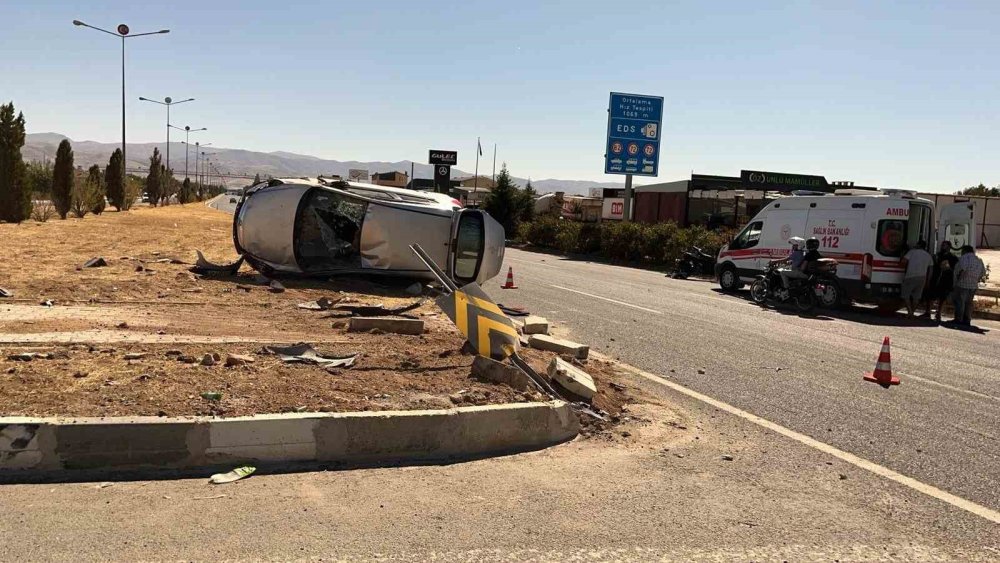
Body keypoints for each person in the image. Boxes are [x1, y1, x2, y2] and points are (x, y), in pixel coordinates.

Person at [923, 241, 957, 321]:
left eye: (944, 245)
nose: (942, 247)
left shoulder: (953, 257)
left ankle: (939, 313)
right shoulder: (937, 255)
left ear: (949, 247)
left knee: (942, 297)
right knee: (930, 295)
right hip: (935, 278)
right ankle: (928, 312)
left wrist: (948, 268)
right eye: (942, 245)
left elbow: (954, 269)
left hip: (946, 279)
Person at [951, 245, 985, 326]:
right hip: (973, 285)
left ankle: (958, 318)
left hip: (962, 284)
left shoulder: (964, 258)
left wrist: (958, 279)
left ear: (964, 251)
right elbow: (983, 273)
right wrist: (976, 279)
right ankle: (967, 319)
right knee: (969, 303)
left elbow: (962, 269)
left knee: (960, 302)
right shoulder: (979, 260)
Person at [900, 240, 933, 318]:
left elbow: (903, 261)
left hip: (910, 276)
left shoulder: (912, 252)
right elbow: (931, 269)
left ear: (918, 245)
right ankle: (912, 312)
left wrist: (902, 255)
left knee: (905, 295)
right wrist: (928, 280)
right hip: (922, 278)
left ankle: (909, 312)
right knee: (917, 297)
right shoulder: (928, 255)